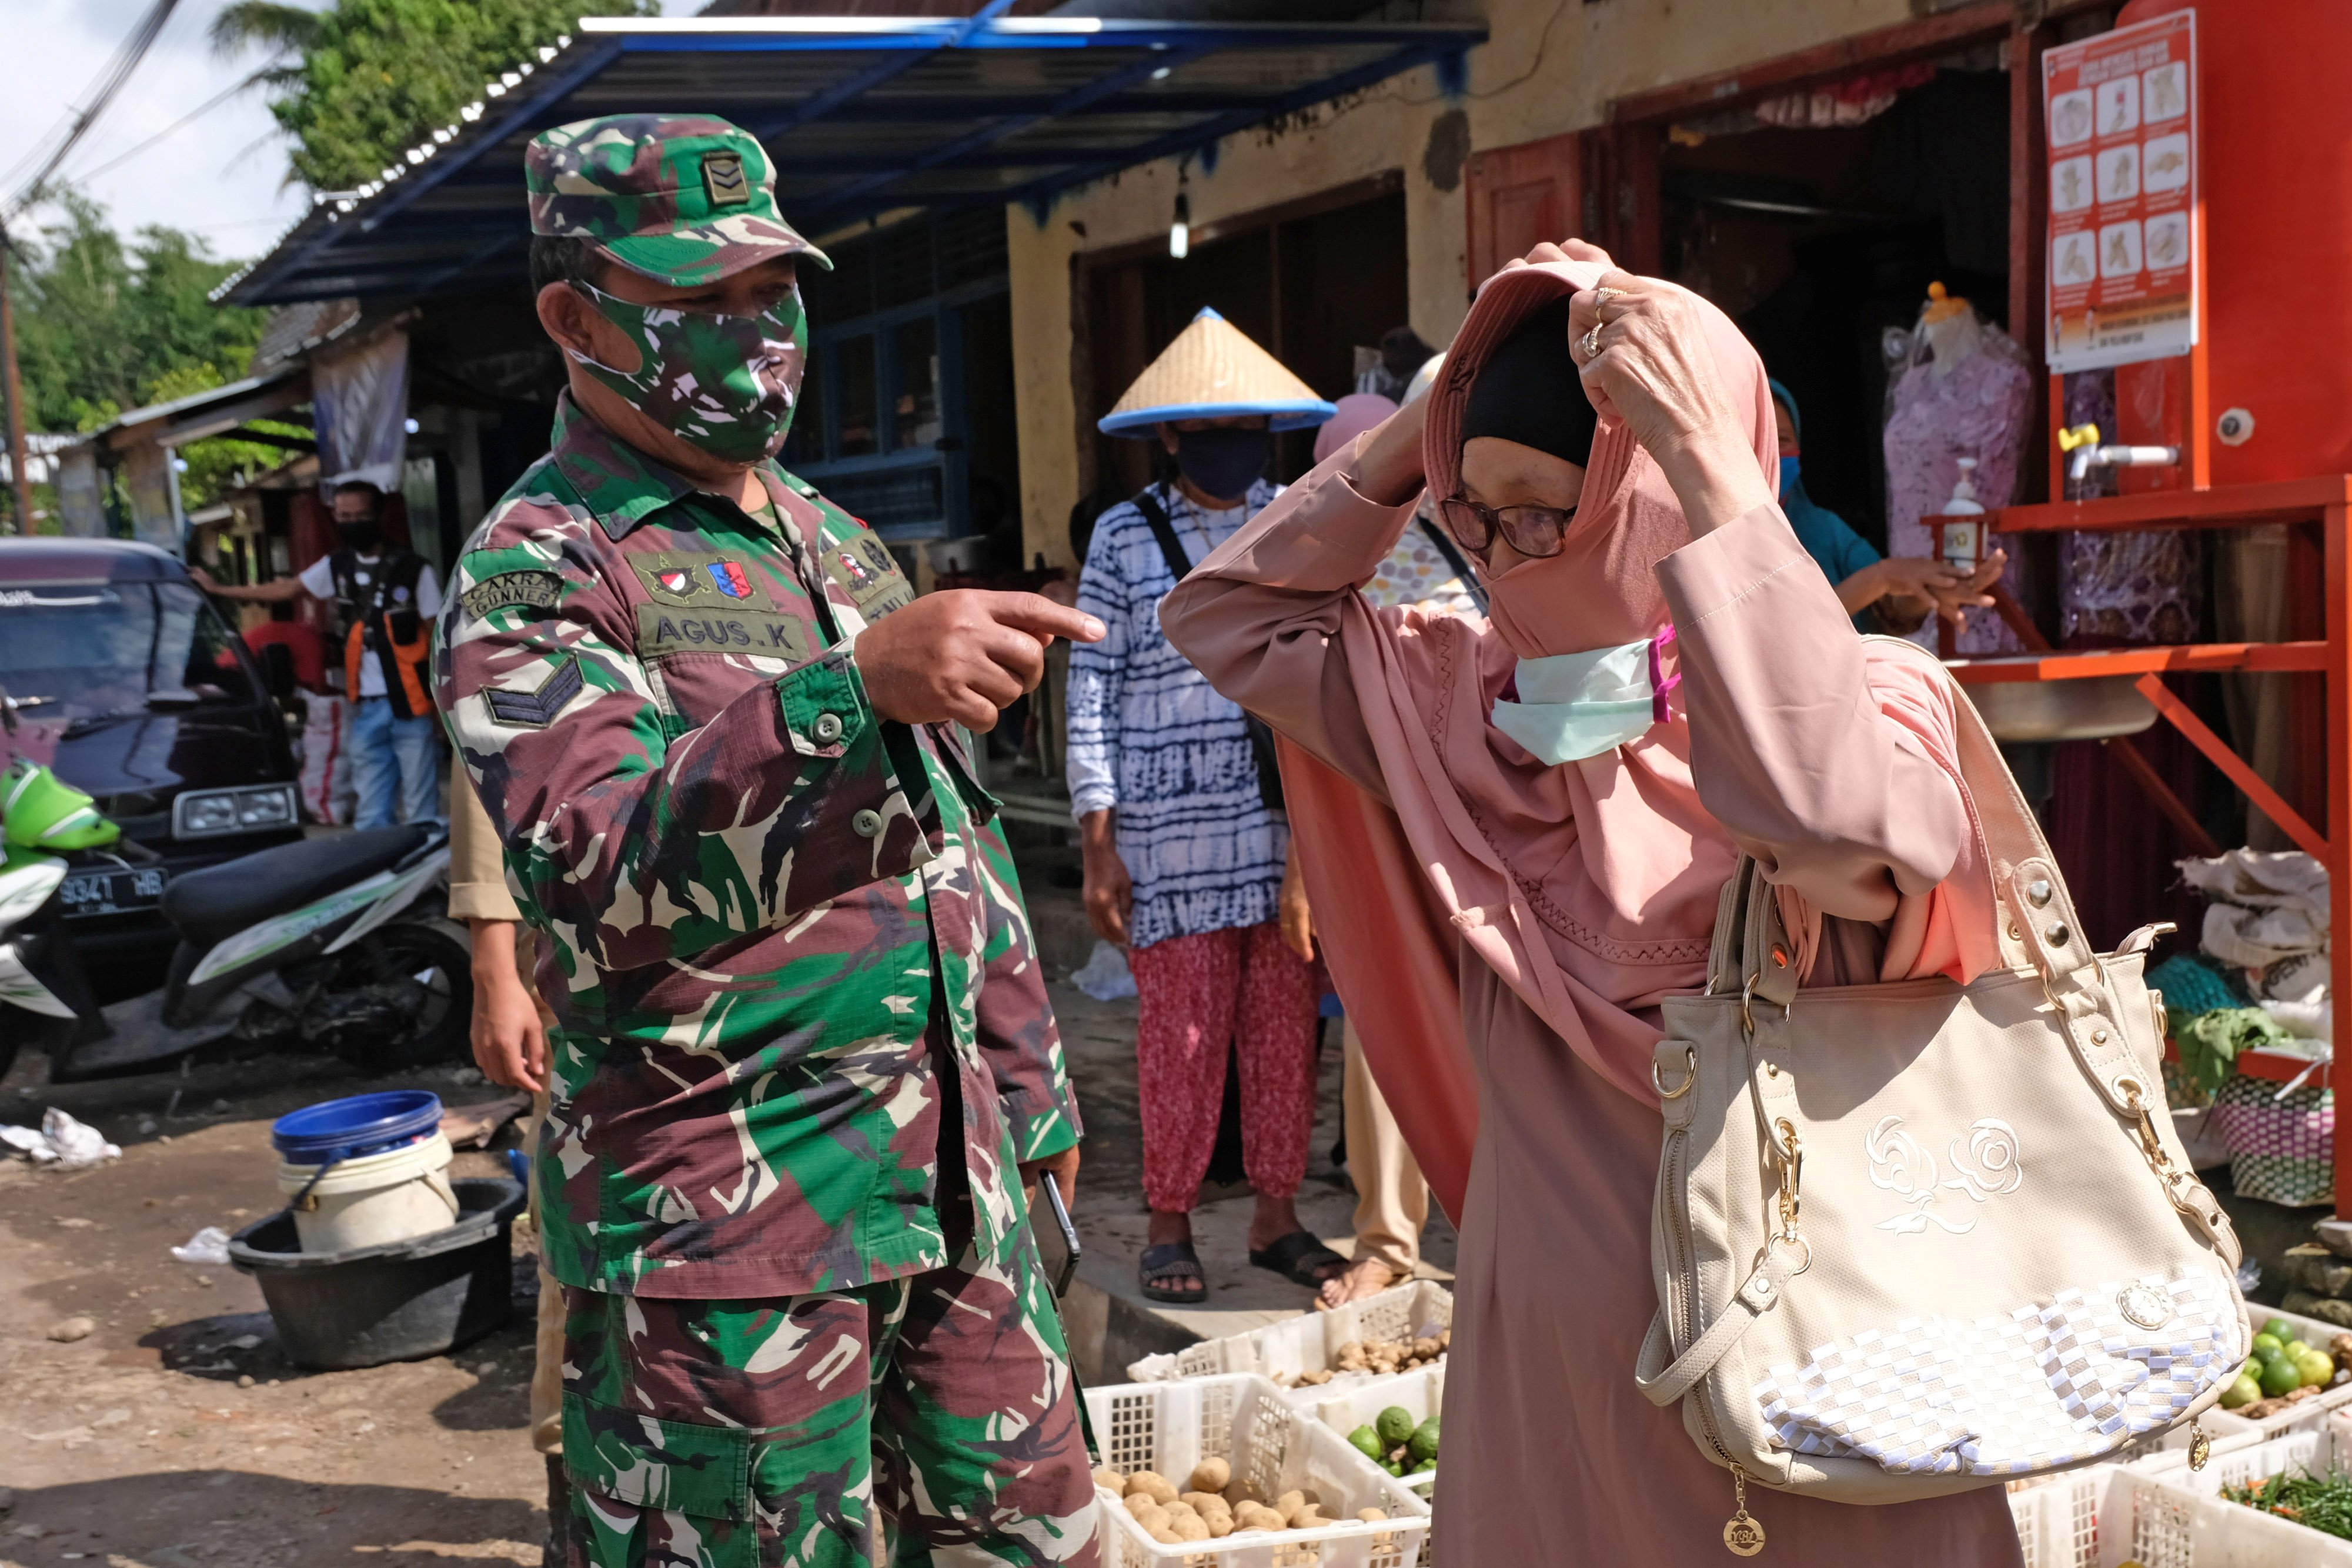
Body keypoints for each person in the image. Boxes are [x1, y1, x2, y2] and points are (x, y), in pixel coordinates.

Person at [1161, 242, 2027, 1563]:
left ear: (1658, 498)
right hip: (1559, 1404)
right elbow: (1223, 612)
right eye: (1480, 515)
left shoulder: (1873, 712)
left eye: (1548, 509)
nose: (1508, 559)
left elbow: (1809, 798)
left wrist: (1709, 461)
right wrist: (1421, 423)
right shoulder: (1462, 710)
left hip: (1817, 1393)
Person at [432, 115, 1100, 1567]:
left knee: (1034, 1546)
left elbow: (954, 848)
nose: (754, 333)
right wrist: (847, 693)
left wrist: (1029, 1100)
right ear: (571, 313)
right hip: (728, 1245)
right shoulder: (541, 568)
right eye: (697, 302)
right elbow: (595, 867)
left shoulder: (833, 543)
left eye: (772, 293)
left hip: (954, 1195)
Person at [1067, 307, 1345, 1304]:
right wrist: (1098, 841)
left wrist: (1322, 848)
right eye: (1213, 429)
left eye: (1250, 428)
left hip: (1280, 839)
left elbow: (1324, 670)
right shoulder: (1122, 537)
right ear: (1174, 434)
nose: (1235, 448)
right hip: (1164, 840)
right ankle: (1168, 1218)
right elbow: (1090, 689)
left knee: (1281, 1033)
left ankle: (1278, 1216)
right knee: (1180, 1039)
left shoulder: (1300, 522)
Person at [1274, 391, 1460, 1310]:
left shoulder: (1473, 542)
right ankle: (1387, 1237)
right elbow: (1309, 734)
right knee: (1382, 1028)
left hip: (1482, 825)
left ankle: (1520, 1227)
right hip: (1377, 834)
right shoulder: (1323, 577)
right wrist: (1305, 871)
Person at [447, 766, 567, 1566]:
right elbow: (498, 747)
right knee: (585, 1245)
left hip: (811, 974)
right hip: (604, 952)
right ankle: (578, 1508)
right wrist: (494, 957)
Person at [195, 479, 444, 827]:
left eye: (360, 515)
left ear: (378, 515)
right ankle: (381, 869)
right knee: (371, 805)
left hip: (413, 701)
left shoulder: (415, 569)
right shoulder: (337, 565)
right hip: (365, 704)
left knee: (422, 803)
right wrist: (219, 589)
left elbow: (438, 635)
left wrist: (443, 703)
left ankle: (429, 867)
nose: (353, 523)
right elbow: (287, 589)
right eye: (344, 516)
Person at [1766, 379, 2003, 635]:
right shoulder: (1722, 539)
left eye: (1783, 439)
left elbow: (1888, 607)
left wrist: (1931, 591)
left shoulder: (1823, 529)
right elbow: (1787, 635)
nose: (1774, 452)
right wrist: (1882, 578)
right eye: (1762, 439)